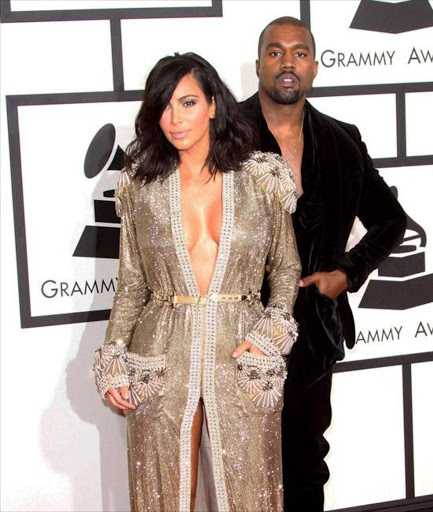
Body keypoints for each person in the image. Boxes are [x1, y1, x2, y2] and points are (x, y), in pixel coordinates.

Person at [92, 53, 301, 512]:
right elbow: (131, 286)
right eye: (164, 106)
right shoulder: (139, 185)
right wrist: (112, 358)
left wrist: (270, 334)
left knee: (249, 493)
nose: (174, 118)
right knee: (166, 493)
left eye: (187, 103)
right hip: (161, 354)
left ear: (212, 104)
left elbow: (286, 268)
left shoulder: (260, 178)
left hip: (242, 353)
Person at [241, 17, 408, 511]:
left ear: (313, 67)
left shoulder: (341, 140)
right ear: (258, 66)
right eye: (275, 52)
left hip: (313, 330)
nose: (287, 62)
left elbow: (390, 221)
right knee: (242, 460)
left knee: (306, 459)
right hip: (238, 328)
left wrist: (348, 273)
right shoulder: (224, 137)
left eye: (298, 53)